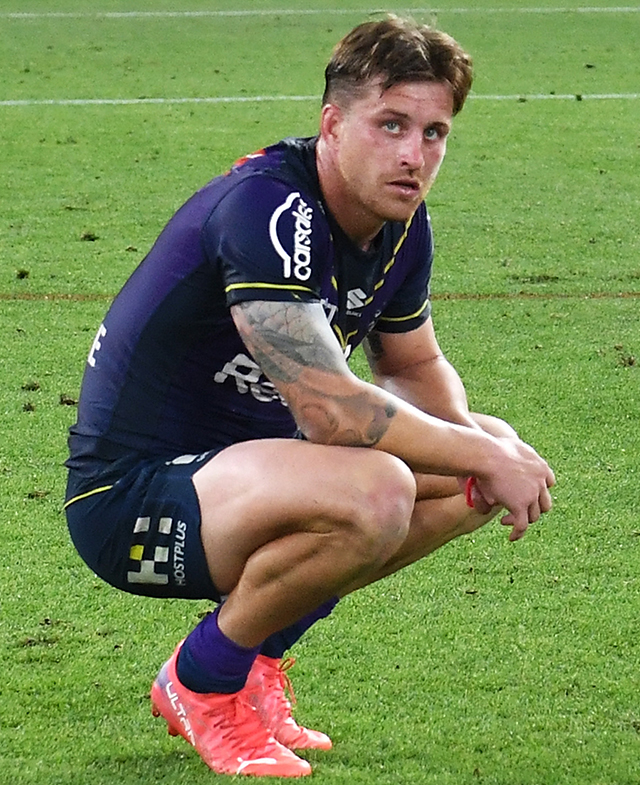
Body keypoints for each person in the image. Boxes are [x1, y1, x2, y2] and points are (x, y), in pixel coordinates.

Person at [64, 16, 555, 777]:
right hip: (130, 499)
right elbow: (332, 411)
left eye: (434, 132)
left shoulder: (398, 224)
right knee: (381, 485)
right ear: (332, 124)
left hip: (247, 476)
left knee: (469, 467)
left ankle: (254, 659)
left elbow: (415, 365)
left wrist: (485, 452)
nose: (412, 154)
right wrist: (486, 453)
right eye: (390, 125)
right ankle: (202, 681)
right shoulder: (269, 209)